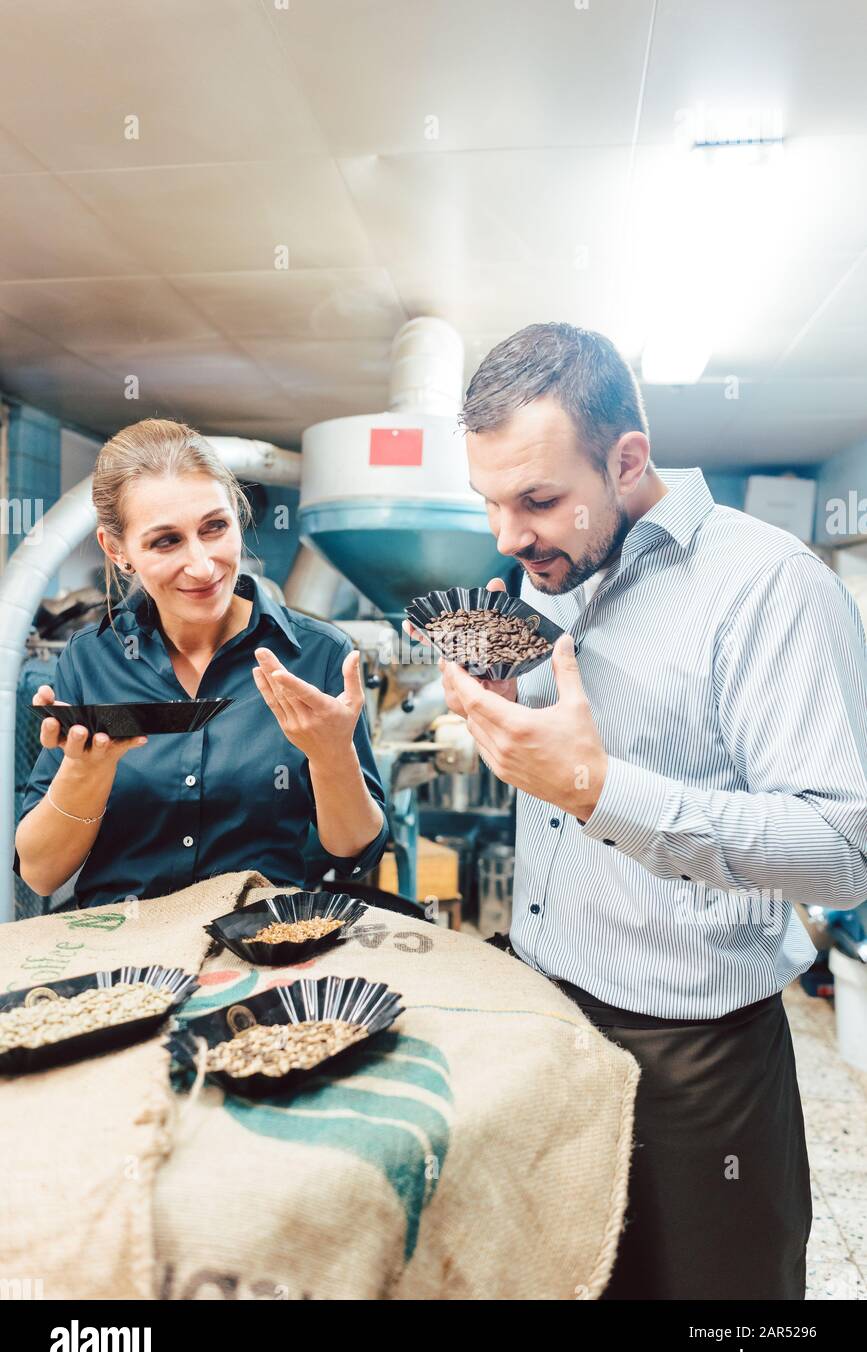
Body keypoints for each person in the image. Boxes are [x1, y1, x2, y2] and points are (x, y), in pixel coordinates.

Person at [425, 322, 867, 1300]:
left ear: (628, 461)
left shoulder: (768, 586)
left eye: (537, 499)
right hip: (552, 1022)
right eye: (490, 503)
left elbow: (846, 846)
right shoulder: (555, 581)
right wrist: (512, 715)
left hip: (696, 1063)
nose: (508, 537)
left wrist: (598, 789)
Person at [14, 419, 389, 908]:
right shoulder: (91, 659)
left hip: (263, 942)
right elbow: (41, 874)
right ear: (118, 550)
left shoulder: (317, 655)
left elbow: (355, 852)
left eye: (215, 527)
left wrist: (333, 755)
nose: (203, 565)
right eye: (166, 541)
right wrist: (84, 776)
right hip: (122, 951)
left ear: (237, 515)